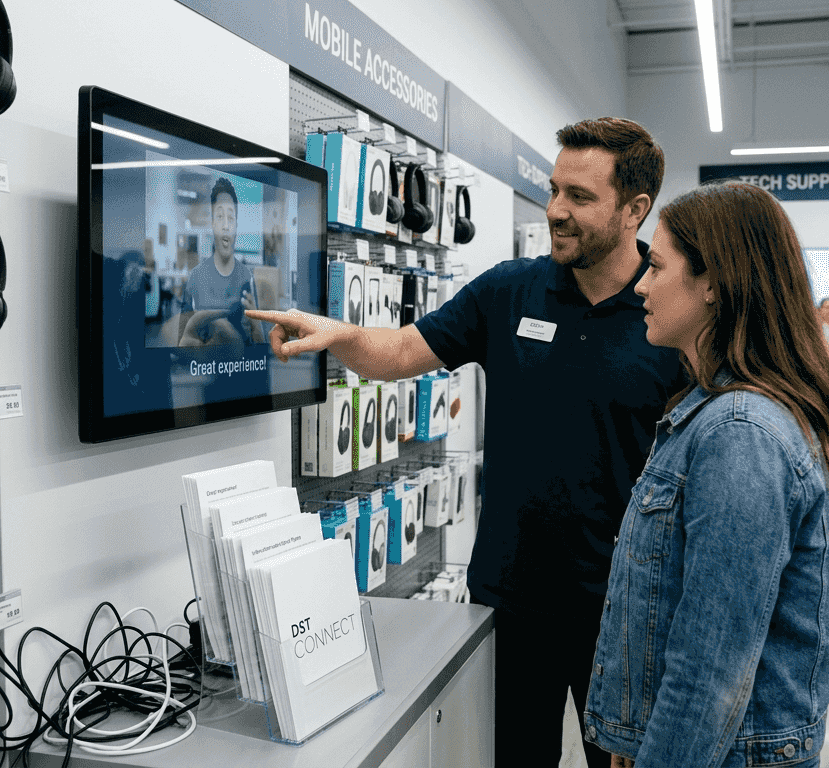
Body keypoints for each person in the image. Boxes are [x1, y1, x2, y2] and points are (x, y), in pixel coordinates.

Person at [248, 118, 682, 768]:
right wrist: (338, 333)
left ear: (635, 209)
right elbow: (400, 351)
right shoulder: (511, 290)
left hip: (623, 611)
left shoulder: (669, 305)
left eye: (580, 198)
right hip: (512, 599)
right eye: (555, 190)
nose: (557, 211)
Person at [583, 181, 829, 767]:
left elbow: (713, 665)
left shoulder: (740, 431)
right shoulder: (723, 412)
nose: (640, 286)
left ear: (713, 282)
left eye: (656, 266)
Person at [172, 175, 262, 349]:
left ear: (236, 224)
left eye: (231, 218)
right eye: (220, 217)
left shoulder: (247, 280)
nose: (226, 225)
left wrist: (256, 326)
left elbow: (258, 351)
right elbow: (180, 345)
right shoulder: (196, 278)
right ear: (212, 223)